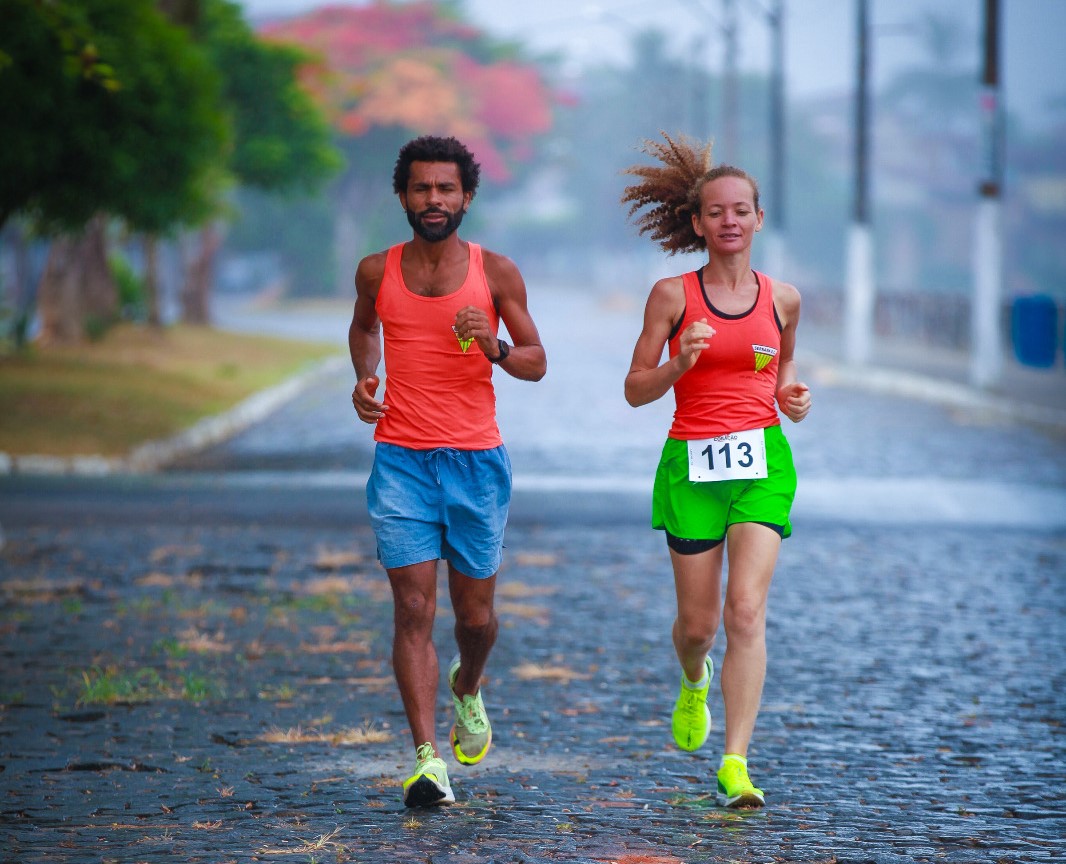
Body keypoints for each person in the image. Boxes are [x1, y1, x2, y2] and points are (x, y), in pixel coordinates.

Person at [348, 135, 546, 807]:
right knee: (411, 607)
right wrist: (364, 376)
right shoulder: (377, 270)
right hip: (400, 458)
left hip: (475, 462)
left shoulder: (496, 273)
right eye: (422, 188)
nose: (434, 199)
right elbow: (362, 329)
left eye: (446, 189)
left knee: (477, 618)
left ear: (467, 197)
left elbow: (536, 360)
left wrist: (492, 344)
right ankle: (427, 759)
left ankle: (468, 685)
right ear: (403, 196)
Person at [621, 133, 811, 808]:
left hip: (761, 461)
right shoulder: (672, 296)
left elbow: (782, 373)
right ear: (697, 223)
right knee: (698, 626)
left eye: (742, 209)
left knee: (746, 610)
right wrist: (680, 362)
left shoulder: (783, 299)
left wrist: (793, 396)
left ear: (759, 219)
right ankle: (693, 676)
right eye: (716, 211)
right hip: (692, 464)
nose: (730, 220)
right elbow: (635, 388)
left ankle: (736, 762)